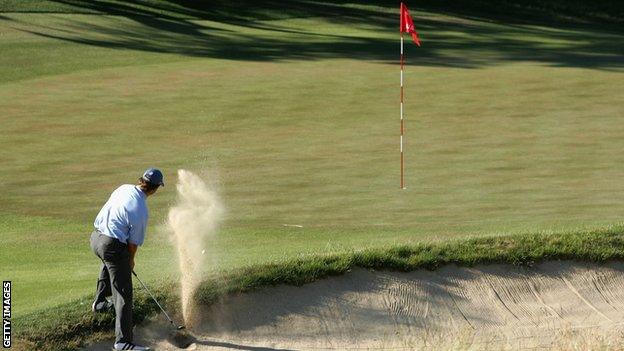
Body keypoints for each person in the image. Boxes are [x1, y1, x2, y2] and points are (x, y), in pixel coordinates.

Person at [90, 168, 164, 351]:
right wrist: (130, 260)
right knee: (124, 294)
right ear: (155, 189)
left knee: (109, 262)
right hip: (111, 245)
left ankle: (99, 303)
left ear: (141, 180)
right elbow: (133, 243)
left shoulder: (123, 187)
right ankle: (123, 342)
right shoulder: (140, 209)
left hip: (95, 238)